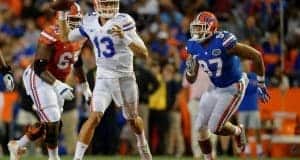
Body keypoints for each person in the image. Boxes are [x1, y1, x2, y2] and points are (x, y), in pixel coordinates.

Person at [68, 0, 152, 160]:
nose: (108, 7)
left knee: (133, 119)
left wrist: (125, 37)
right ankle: (77, 158)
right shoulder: (90, 20)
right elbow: (68, 37)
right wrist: (63, 15)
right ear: (96, 5)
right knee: (94, 117)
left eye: (111, 3)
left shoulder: (124, 20)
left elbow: (144, 53)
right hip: (103, 77)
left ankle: (142, 144)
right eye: (105, 4)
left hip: (124, 77)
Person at [7, 3, 92, 160]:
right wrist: (58, 85)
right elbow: (39, 68)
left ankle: (18, 145)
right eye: (71, 20)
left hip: (56, 81)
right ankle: (54, 158)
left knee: (53, 124)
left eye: (77, 20)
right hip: (39, 78)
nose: (74, 25)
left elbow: (77, 61)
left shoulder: (81, 36)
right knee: (52, 118)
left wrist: (85, 87)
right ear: (62, 20)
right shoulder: (51, 33)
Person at [185, 11, 270, 160]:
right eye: (196, 28)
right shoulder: (193, 45)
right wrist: (190, 70)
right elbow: (191, 79)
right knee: (199, 127)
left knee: (214, 127)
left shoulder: (223, 41)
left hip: (233, 85)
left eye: (201, 28)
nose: (197, 31)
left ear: (211, 28)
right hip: (214, 87)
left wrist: (261, 83)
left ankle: (237, 131)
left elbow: (256, 55)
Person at [238, 60, 263, 157]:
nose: (246, 67)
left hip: (253, 107)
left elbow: (257, 88)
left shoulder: (254, 76)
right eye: (244, 65)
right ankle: (247, 151)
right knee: (244, 131)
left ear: (250, 66)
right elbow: (244, 89)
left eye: (247, 65)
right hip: (242, 108)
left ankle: (260, 151)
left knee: (257, 130)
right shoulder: (239, 77)